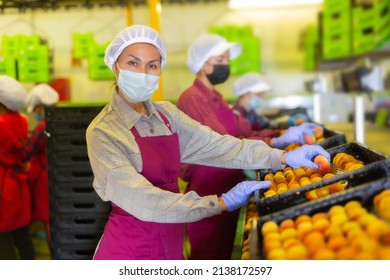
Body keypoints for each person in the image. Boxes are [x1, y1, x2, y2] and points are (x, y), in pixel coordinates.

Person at [85, 24, 330, 260]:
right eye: (132, 63)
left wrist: (280, 157)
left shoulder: (166, 115)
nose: (142, 73)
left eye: (152, 65)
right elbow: (143, 200)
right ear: (115, 65)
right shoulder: (104, 131)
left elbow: (219, 146)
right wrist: (220, 203)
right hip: (129, 250)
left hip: (171, 242)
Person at [176, 33, 322, 259]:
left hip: (230, 181)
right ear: (203, 62)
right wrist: (273, 146)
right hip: (208, 186)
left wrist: (276, 138)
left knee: (226, 248)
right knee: (210, 253)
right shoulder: (192, 98)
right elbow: (221, 142)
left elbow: (243, 132)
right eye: (221, 60)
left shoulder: (218, 98)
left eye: (227, 60)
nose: (226, 65)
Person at [0, 75, 35, 260]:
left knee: (4, 238)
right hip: (19, 183)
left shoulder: (1, 123)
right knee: (22, 235)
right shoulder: (22, 120)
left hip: (4, 184)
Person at [24, 83, 60, 247]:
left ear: (41, 107)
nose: (36, 114)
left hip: (44, 180)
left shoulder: (42, 127)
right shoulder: (60, 121)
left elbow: (27, 152)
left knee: (48, 221)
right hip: (58, 175)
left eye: (37, 110)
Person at [232, 72, 310, 131]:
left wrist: (290, 122)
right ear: (244, 93)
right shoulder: (235, 114)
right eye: (258, 94)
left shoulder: (252, 114)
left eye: (262, 94)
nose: (260, 98)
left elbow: (269, 125)